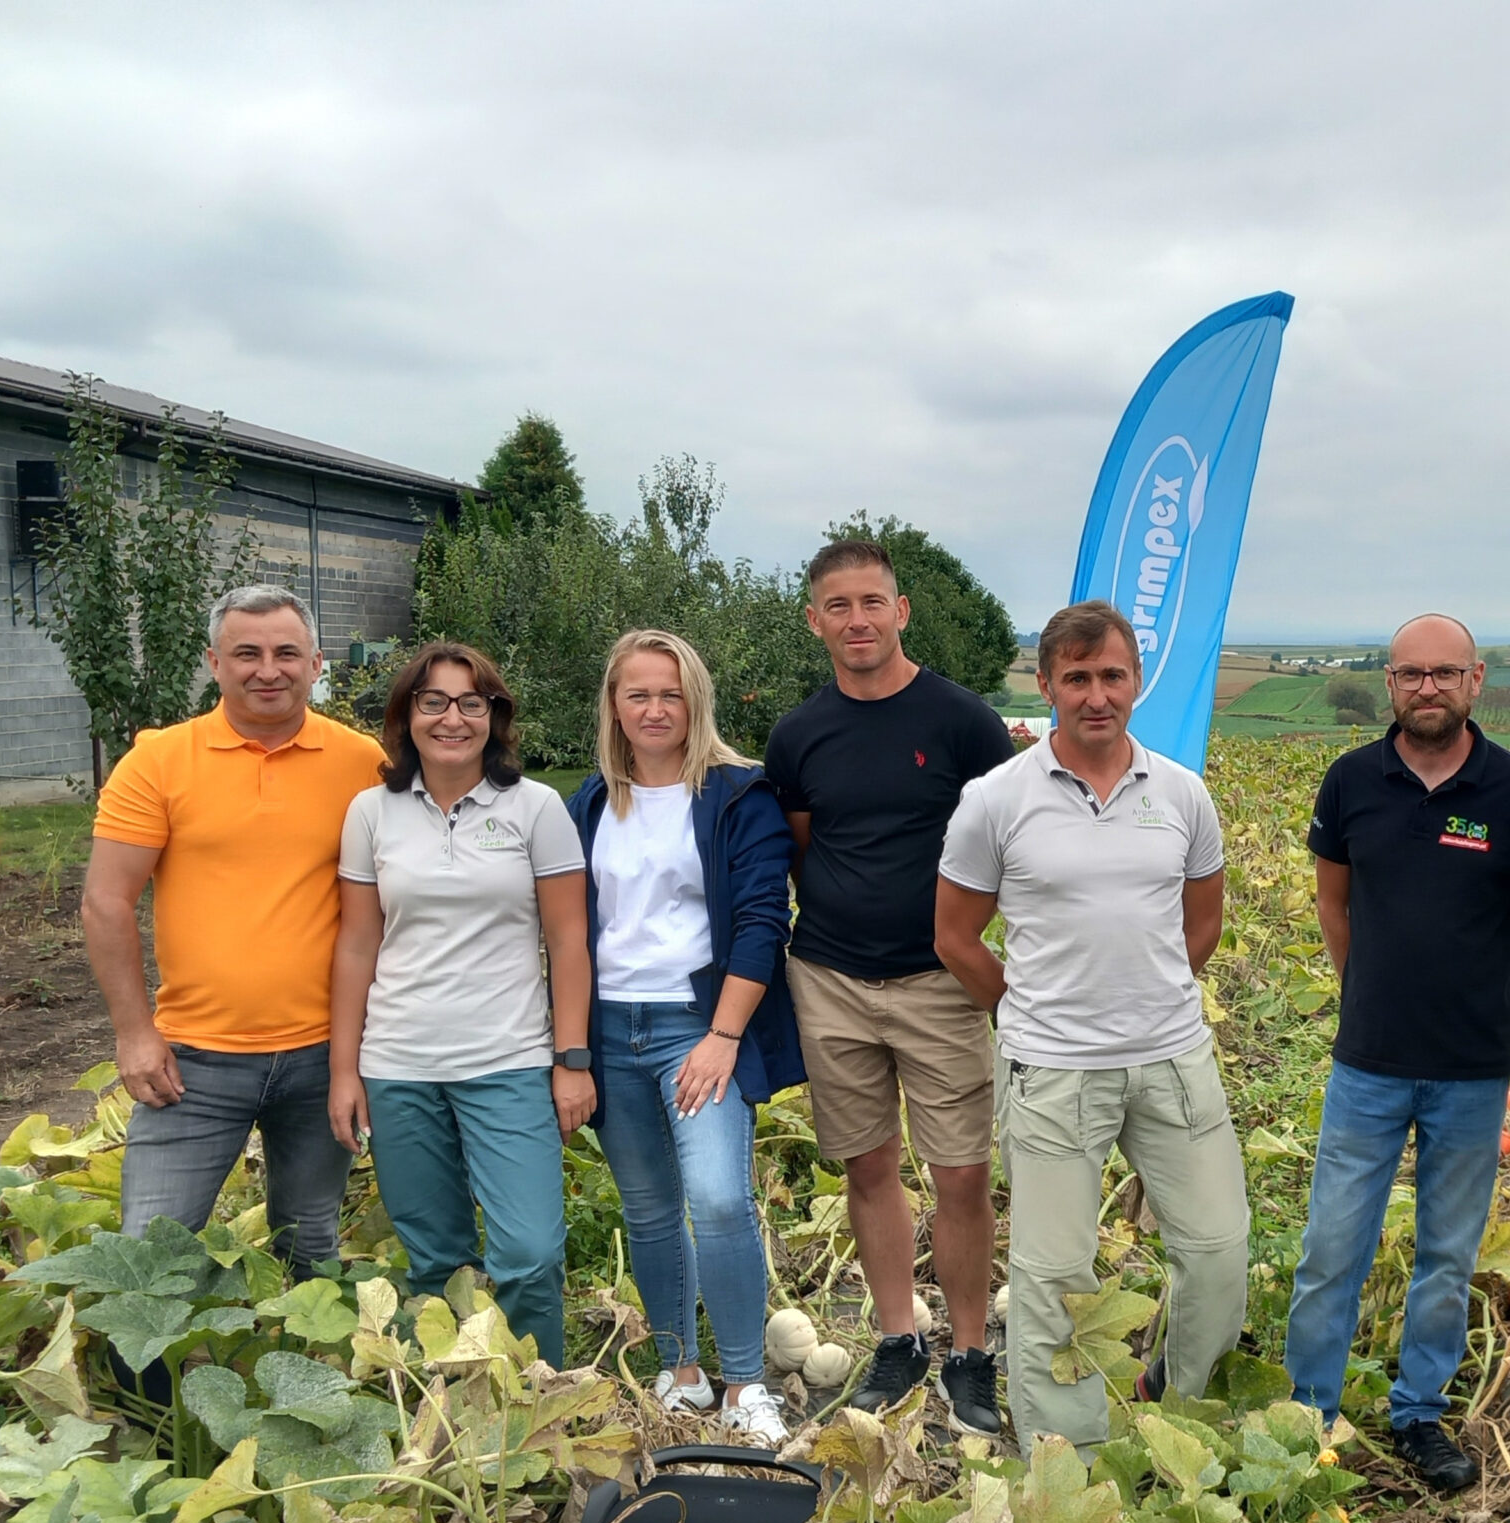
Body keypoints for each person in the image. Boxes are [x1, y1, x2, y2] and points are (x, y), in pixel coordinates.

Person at [935, 600, 1244, 1454]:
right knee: (1055, 1276)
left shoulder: (1181, 792)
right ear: (1046, 687)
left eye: (1112, 675)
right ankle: (1067, 1455)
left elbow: (1204, 919)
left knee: (1218, 1251)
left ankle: (1178, 1407)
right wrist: (1025, 1009)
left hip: (1174, 1060)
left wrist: (1151, 993)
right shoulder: (995, 800)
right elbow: (955, 937)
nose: (1096, 695)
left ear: (1137, 681)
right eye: (1076, 678)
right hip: (1053, 1072)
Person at [1282, 615, 1510, 1491]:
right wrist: (1372, 978)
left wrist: (1466, 964)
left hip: (1474, 1066)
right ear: (1390, 682)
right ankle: (1309, 1412)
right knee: (1334, 1243)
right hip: (1368, 1059)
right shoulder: (1352, 780)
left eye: (1445, 673)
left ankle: (1419, 1414)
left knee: (1447, 1252)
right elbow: (1335, 901)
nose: (1428, 688)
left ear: (1476, 679)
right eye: (1411, 674)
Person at [765, 539, 1018, 1437]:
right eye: (839, 606)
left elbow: (1010, 837)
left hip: (937, 979)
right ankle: (898, 1339)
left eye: (873, 602)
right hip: (830, 977)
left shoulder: (962, 722)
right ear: (815, 621)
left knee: (961, 1173)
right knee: (867, 1165)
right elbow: (801, 847)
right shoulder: (798, 734)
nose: (858, 621)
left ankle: (970, 1352)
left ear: (901, 611)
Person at [85, 585, 384, 1274]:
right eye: (246, 653)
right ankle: (150, 1384)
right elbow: (106, 901)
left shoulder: (361, 764)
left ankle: (305, 1378)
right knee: (148, 1259)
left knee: (309, 1247)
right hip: (192, 1063)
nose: (266, 670)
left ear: (316, 664)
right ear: (214, 662)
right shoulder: (159, 762)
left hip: (325, 1056)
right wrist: (134, 1033)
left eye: (285, 653)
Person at [567, 631, 805, 1447]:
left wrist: (722, 1036)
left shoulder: (738, 794)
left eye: (670, 693)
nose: (655, 708)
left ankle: (744, 1380)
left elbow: (762, 921)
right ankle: (681, 1369)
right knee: (649, 1206)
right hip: (610, 1030)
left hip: (696, 1027)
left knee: (718, 1197)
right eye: (638, 694)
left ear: (694, 701)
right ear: (614, 706)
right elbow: (569, 929)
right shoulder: (594, 802)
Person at [329, 645, 592, 1364]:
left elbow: (569, 941)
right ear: (406, 716)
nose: (453, 718)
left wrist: (571, 1059)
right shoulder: (371, 812)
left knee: (530, 1253)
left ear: (494, 717)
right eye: (434, 702)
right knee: (434, 1258)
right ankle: (455, 1403)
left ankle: (540, 1396)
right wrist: (344, 1071)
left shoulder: (535, 808)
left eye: (471, 703)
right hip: (399, 1065)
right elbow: (357, 945)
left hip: (506, 1062)